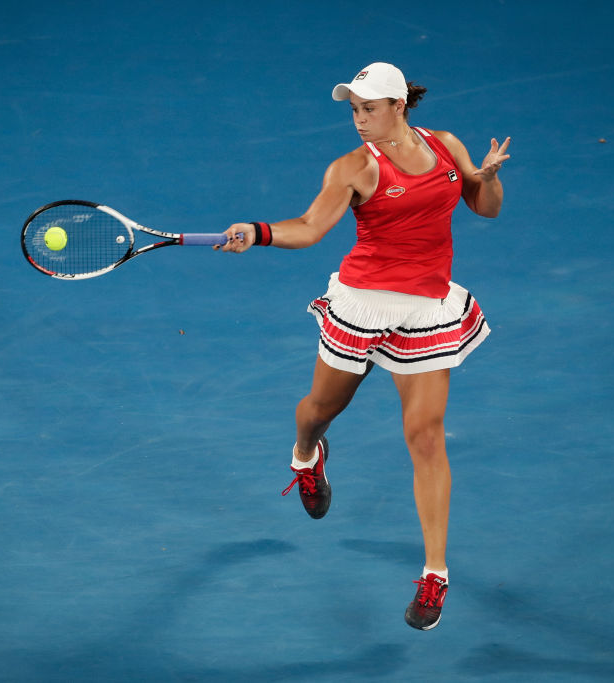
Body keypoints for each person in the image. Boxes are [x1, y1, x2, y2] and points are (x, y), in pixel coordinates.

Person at [219, 62, 510, 631]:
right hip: (362, 304)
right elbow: (308, 226)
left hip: (426, 309)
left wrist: (490, 176)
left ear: (399, 104)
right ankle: (307, 453)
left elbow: (486, 206)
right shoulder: (353, 168)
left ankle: (434, 574)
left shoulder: (447, 145)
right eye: (353, 109)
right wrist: (258, 232)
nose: (358, 119)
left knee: (425, 436)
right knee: (319, 411)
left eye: (368, 108)